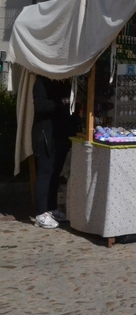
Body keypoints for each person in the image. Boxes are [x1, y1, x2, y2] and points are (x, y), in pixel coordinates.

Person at [32, 75, 73, 228]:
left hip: (60, 135)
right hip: (45, 135)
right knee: (45, 173)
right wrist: (62, 102)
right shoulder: (42, 82)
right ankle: (41, 213)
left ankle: (52, 208)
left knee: (56, 173)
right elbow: (40, 106)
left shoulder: (66, 82)